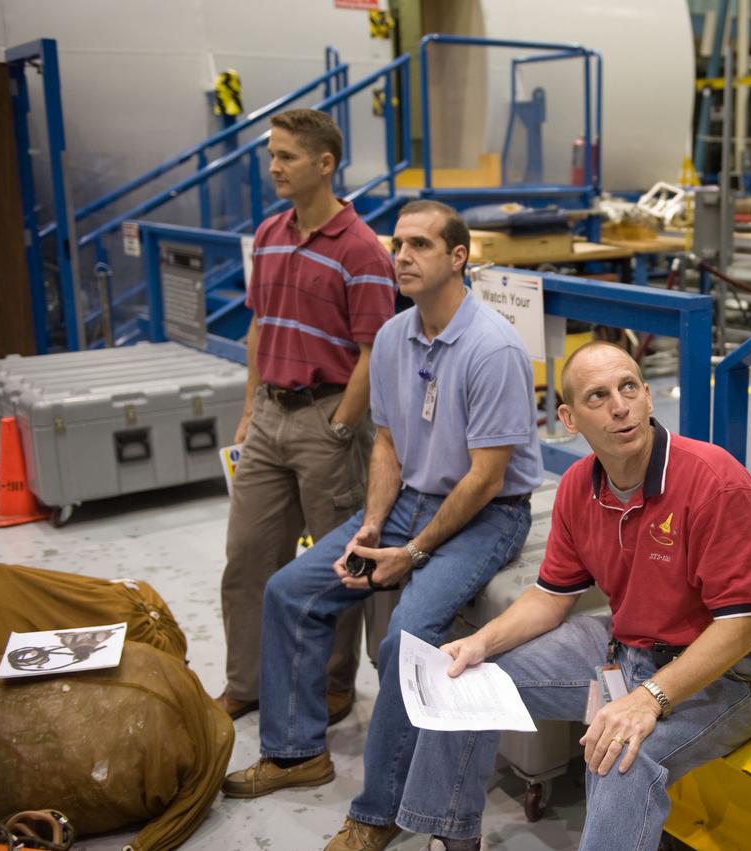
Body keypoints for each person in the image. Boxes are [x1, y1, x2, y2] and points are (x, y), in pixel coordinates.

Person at [220, 202, 544, 841]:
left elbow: (486, 478)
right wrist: (371, 526)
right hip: (407, 503)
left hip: (488, 515)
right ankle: (296, 753)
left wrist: (414, 552)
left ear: (459, 258)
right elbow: (387, 447)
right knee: (290, 593)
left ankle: (381, 813)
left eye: (420, 245)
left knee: (405, 638)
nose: (402, 257)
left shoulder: (493, 347)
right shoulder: (396, 337)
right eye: (398, 244)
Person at [384, 341, 751, 851]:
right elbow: (551, 597)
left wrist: (649, 698)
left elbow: (740, 628)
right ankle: (453, 837)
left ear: (648, 397)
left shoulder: (714, 483)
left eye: (629, 388)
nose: (620, 406)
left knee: (620, 755)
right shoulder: (579, 487)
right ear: (569, 418)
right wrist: (479, 643)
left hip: (728, 676)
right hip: (625, 647)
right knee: (465, 683)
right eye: (598, 396)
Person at [218, 108, 396, 724]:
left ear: (325, 164)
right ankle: (246, 682)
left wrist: (341, 425)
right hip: (269, 415)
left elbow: (374, 351)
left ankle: (332, 682)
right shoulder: (269, 235)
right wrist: (248, 412)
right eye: (272, 155)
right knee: (247, 554)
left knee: (333, 564)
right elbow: (258, 325)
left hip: (328, 419)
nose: (274, 167)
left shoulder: (364, 250)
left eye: (286, 156)